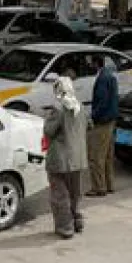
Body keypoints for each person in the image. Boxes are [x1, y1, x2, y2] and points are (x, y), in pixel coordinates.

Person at [41, 75, 88, 239]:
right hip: (78, 158)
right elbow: (87, 127)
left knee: (60, 195)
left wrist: (47, 119)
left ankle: (65, 227)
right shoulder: (80, 107)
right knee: (74, 193)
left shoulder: (58, 109)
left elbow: (49, 131)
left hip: (60, 160)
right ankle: (77, 221)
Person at [86, 54, 119, 197]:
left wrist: (93, 117)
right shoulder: (109, 76)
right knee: (107, 156)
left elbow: (102, 101)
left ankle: (99, 187)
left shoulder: (102, 79)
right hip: (111, 120)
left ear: (95, 63)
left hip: (102, 122)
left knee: (95, 155)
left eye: (90, 62)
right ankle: (109, 184)